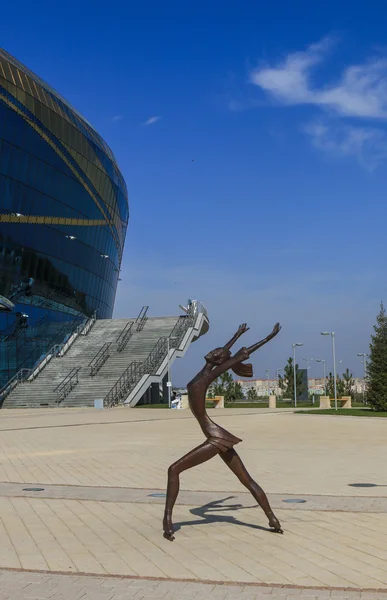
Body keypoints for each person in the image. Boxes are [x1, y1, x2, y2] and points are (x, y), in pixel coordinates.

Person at [163, 322, 283, 540]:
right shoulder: (204, 372)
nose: (212, 351)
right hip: (217, 435)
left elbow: (238, 356)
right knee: (246, 480)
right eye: (215, 350)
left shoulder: (210, 375)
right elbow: (225, 353)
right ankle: (272, 518)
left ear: (218, 360)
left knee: (174, 470)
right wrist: (235, 335)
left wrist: (269, 337)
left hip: (214, 436)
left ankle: (167, 521)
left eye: (216, 352)